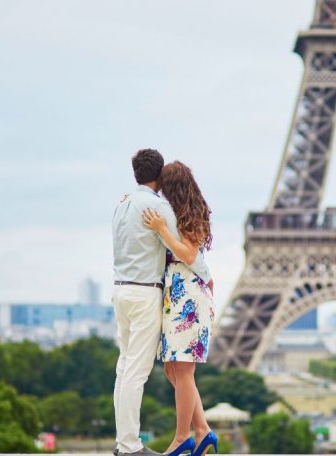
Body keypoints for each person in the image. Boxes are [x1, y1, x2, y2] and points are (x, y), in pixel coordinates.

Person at [112, 149, 212, 456]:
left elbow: (185, 250)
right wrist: (208, 276)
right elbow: (191, 256)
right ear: (159, 178)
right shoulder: (158, 208)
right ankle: (131, 446)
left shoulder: (122, 205)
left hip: (123, 290)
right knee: (141, 372)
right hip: (149, 293)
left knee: (127, 369)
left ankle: (127, 442)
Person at [142, 161, 218, 456]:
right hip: (177, 294)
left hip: (189, 294)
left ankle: (182, 436)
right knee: (173, 371)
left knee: (182, 371)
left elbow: (187, 253)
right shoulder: (180, 214)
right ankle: (203, 431)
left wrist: (162, 229)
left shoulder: (192, 214)